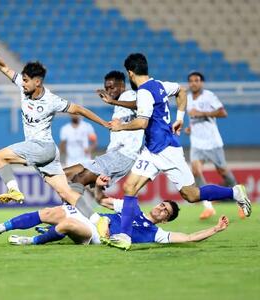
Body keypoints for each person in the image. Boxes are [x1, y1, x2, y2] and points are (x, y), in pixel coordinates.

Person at [106, 53, 251, 251]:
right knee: (130, 188)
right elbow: (181, 91)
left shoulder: (144, 93)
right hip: (151, 150)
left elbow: (142, 122)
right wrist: (180, 117)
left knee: (192, 195)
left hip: (167, 150)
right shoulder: (159, 85)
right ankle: (124, 236)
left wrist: (119, 127)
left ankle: (235, 192)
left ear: (130, 73)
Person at [0, 39, 109, 218]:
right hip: (48, 153)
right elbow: (3, 67)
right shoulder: (23, 85)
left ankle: (13, 190)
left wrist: (104, 123)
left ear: (38, 82)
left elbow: (80, 110)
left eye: (26, 81)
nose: (23, 84)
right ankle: (98, 221)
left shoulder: (51, 101)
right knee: (66, 193)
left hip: (41, 147)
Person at [0, 176, 229, 247]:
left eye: (166, 210)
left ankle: (31, 241)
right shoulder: (131, 206)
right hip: (95, 217)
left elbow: (187, 238)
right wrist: (99, 185)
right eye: (163, 204)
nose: (161, 208)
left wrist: (215, 229)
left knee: (66, 223)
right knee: (54, 208)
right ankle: (1, 227)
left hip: (96, 235)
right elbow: (102, 201)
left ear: (167, 218)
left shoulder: (156, 233)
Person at [64, 70, 143, 188]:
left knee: (79, 179)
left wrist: (113, 102)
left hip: (125, 154)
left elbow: (140, 104)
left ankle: (68, 206)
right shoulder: (119, 105)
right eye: (106, 88)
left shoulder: (129, 95)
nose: (109, 91)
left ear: (122, 85)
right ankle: (71, 206)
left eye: (111, 87)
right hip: (113, 154)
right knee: (65, 174)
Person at [186, 71, 244, 220]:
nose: (194, 83)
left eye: (197, 80)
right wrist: (190, 128)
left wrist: (201, 113)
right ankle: (208, 207)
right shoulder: (187, 98)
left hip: (212, 142)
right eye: (191, 81)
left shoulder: (209, 96)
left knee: (223, 172)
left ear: (201, 83)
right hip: (197, 143)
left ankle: (241, 200)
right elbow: (193, 119)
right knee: (196, 171)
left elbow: (223, 113)